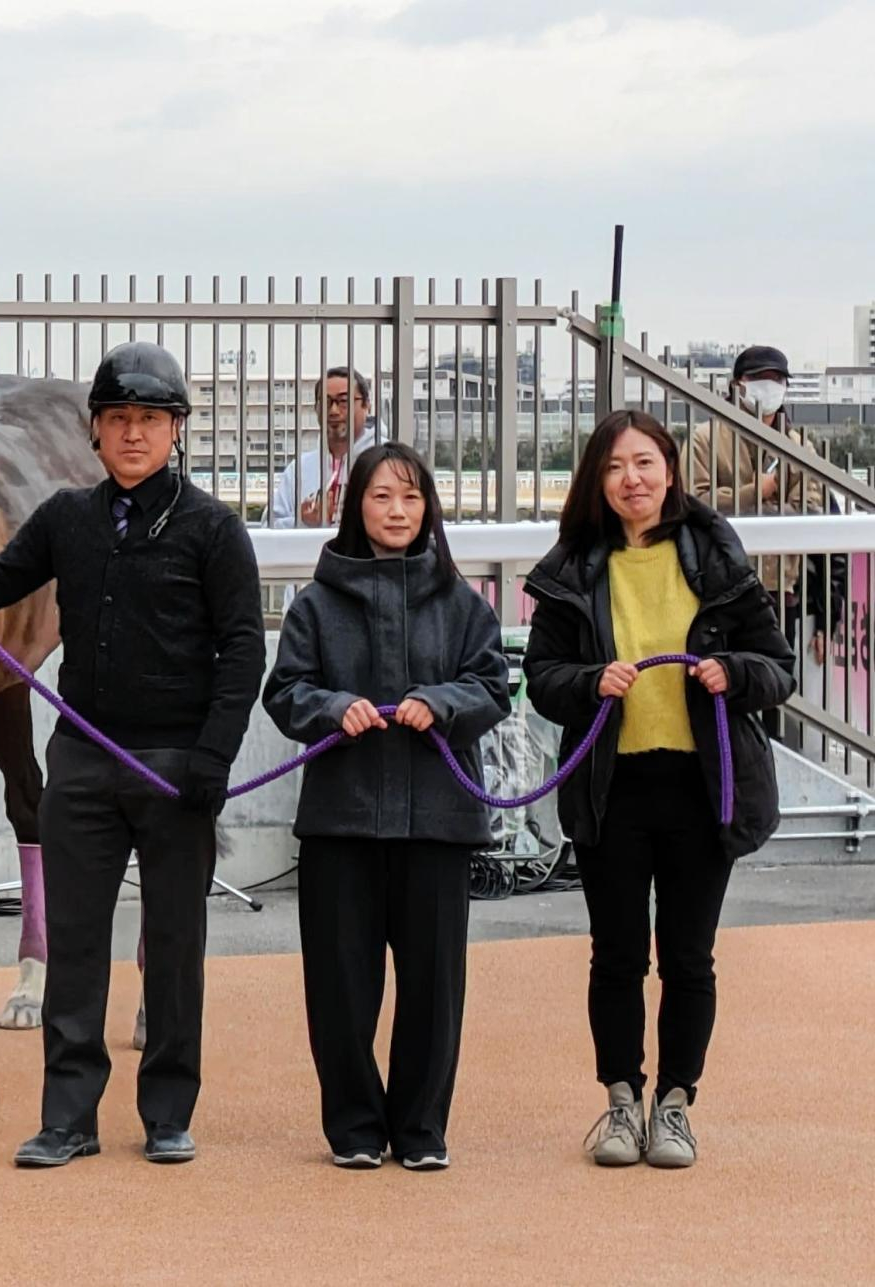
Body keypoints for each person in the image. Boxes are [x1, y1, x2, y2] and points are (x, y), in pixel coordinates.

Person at [0, 342, 266, 1168]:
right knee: (76, 948)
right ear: (94, 429)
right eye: (119, 418)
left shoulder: (214, 529)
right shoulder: (66, 518)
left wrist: (214, 757)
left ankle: (166, 1111)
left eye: (150, 420)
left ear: (175, 431)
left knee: (175, 946)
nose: (133, 433)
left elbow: (241, 651)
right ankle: (68, 1117)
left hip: (173, 766)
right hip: (83, 760)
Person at [524, 409, 794, 1170]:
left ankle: (674, 1104)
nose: (631, 479)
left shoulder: (713, 553)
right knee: (614, 954)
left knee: (688, 955)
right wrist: (588, 681)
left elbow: (777, 666)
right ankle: (618, 1101)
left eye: (644, 463)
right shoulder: (576, 563)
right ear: (596, 481)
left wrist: (731, 674)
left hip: (703, 783)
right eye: (614, 467)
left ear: (671, 470)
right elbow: (540, 677)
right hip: (611, 785)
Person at [263, 442, 510, 1172]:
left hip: (438, 821)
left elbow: (493, 686)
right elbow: (284, 692)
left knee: (434, 986)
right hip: (342, 819)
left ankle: (423, 1127)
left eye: (410, 497)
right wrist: (334, 708)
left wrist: (441, 703)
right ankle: (355, 1126)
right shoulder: (315, 602)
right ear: (355, 507)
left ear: (428, 507)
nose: (397, 511)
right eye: (380, 497)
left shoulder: (465, 603)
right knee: (340, 984)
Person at [687, 345, 833, 658]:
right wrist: (757, 491)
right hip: (717, 588)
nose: (769, 387)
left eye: (777, 379)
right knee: (718, 683)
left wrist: (740, 504)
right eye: (759, 378)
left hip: (779, 587)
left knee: (774, 684)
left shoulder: (798, 447)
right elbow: (695, 503)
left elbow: (810, 509)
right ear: (738, 383)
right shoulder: (705, 438)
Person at [267, 367, 376, 529]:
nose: (333, 410)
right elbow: (267, 529)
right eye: (325, 402)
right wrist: (302, 521)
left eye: (344, 401)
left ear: (367, 405)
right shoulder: (299, 469)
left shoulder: (387, 463)